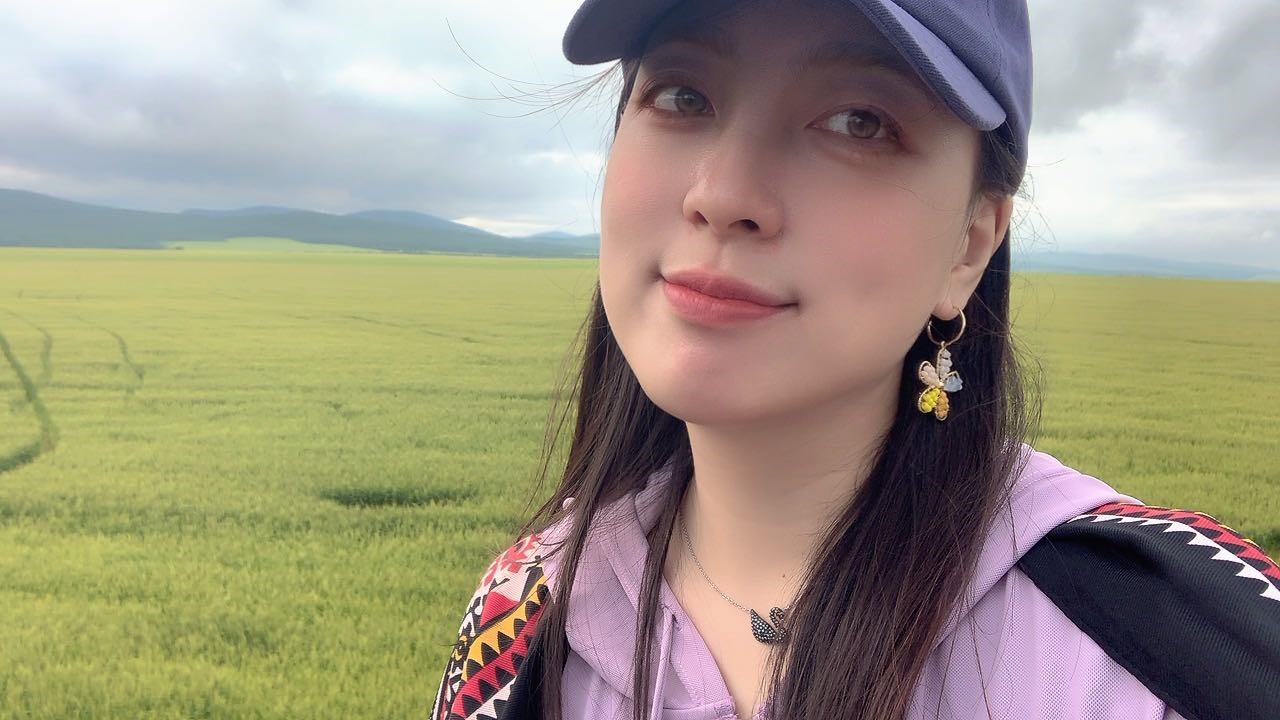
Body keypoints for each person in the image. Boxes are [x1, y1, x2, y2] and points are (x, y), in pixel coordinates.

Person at [432, 1, 1280, 719]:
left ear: (970, 244)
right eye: (683, 95)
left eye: (859, 122)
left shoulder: (1190, 647)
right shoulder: (521, 620)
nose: (722, 195)